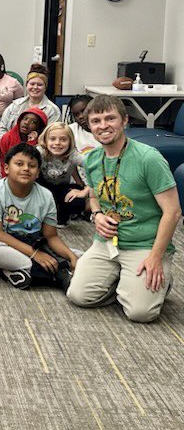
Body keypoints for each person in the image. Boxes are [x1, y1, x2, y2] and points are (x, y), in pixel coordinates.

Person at [67, 96, 180, 322]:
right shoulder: (91, 160)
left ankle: (156, 283)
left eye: (110, 118)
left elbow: (173, 212)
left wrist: (156, 257)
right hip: (107, 242)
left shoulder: (148, 158)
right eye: (96, 121)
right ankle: (125, 281)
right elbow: (94, 194)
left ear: (125, 121)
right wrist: (97, 215)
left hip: (145, 243)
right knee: (78, 296)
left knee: (141, 313)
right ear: (89, 125)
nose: (103, 125)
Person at [0, 143, 77, 290]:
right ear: (6, 168)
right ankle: (55, 273)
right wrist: (35, 254)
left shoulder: (46, 195)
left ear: (38, 173)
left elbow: (51, 236)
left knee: (80, 256)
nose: (26, 168)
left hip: (32, 244)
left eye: (32, 166)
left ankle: (17, 272)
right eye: (19, 164)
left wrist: (71, 256)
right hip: (3, 247)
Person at [36, 123, 88, 225]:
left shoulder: (73, 155)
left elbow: (97, 168)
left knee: (77, 201)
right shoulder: (40, 152)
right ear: (45, 140)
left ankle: (64, 216)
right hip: (41, 187)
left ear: (70, 142)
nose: (57, 143)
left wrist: (85, 190)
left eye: (63, 139)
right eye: (52, 139)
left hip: (61, 187)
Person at [0, 64, 61, 136]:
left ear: (45, 87)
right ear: (27, 85)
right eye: (32, 84)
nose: (35, 87)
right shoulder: (15, 105)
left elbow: (52, 135)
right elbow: (2, 128)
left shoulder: (53, 110)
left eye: (40, 85)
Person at [0, 107, 47, 175]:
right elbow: (2, 163)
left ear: (38, 128)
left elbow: (30, 161)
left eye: (33, 122)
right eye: (25, 118)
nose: (27, 122)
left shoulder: (41, 142)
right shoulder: (8, 137)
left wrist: (32, 142)